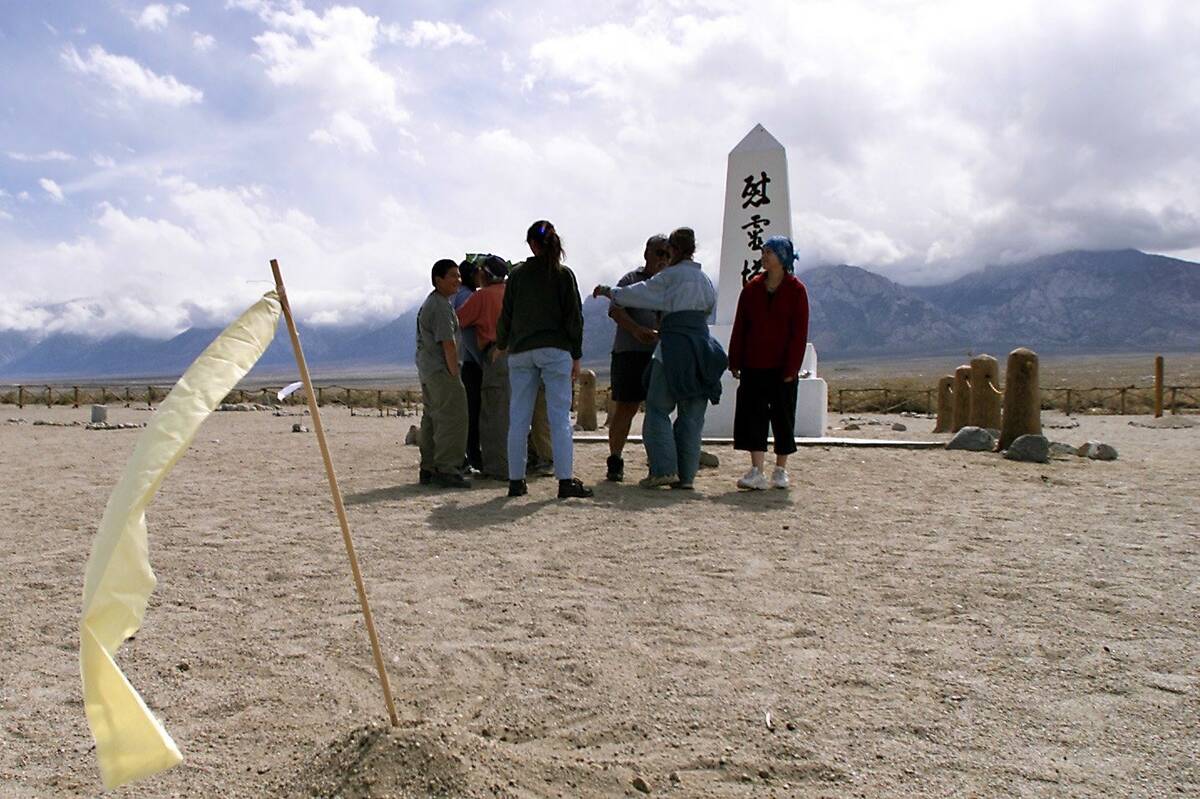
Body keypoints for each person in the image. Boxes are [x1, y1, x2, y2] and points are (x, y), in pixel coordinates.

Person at [592, 227, 726, 490]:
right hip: (701, 347)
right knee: (692, 414)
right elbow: (708, 307)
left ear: (674, 250)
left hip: (673, 347)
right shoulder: (705, 280)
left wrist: (610, 291)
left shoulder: (670, 278)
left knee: (657, 407)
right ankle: (687, 475)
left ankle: (664, 469)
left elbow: (638, 293)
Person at [495, 220, 594, 499]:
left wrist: (501, 343)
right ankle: (564, 481)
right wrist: (576, 354)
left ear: (531, 245)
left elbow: (507, 314)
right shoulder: (563, 275)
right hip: (556, 350)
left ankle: (516, 481)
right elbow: (574, 317)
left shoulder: (516, 275)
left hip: (522, 350)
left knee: (519, 418)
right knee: (559, 418)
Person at [728, 235, 810, 490]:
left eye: (769, 253)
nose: (764, 257)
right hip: (754, 364)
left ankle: (781, 469)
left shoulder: (797, 290)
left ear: (782, 257)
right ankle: (756, 469)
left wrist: (792, 367)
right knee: (753, 416)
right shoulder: (752, 288)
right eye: (763, 252)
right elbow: (741, 325)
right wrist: (735, 358)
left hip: (782, 367)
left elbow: (799, 332)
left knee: (783, 416)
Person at [604, 234, 670, 482]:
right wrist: (636, 330)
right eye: (659, 253)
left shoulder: (670, 283)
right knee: (626, 407)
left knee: (658, 409)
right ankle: (615, 458)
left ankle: (658, 461)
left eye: (667, 254)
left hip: (658, 354)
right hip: (629, 352)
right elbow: (615, 308)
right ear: (647, 254)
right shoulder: (631, 280)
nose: (663, 259)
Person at [415, 259, 470, 488]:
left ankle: (428, 467)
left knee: (432, 418)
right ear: (438, 280)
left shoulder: (434, 302)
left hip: (428, 370)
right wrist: (454, 372)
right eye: (452, 276)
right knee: (452, 418)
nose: (458, 280)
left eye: (459, 276)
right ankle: (447, 468)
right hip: (441, 370)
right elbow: (447, 343)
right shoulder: (440, 306)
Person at [457, 255, 510, 480]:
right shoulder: (513, 293)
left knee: (494, 414)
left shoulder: (483, 297)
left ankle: (497, 467)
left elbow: (457, 320)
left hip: (495, 355)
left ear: (484, 274)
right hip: (522, 357)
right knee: (515, 413)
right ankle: (518, 463)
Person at [452, 258, 484, 473]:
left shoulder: (455, 296)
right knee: (473, 413)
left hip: (460, 361)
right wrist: (483, 361)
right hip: (471, 363)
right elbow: (469, 333)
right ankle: (473, 456)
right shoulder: (468, 297)